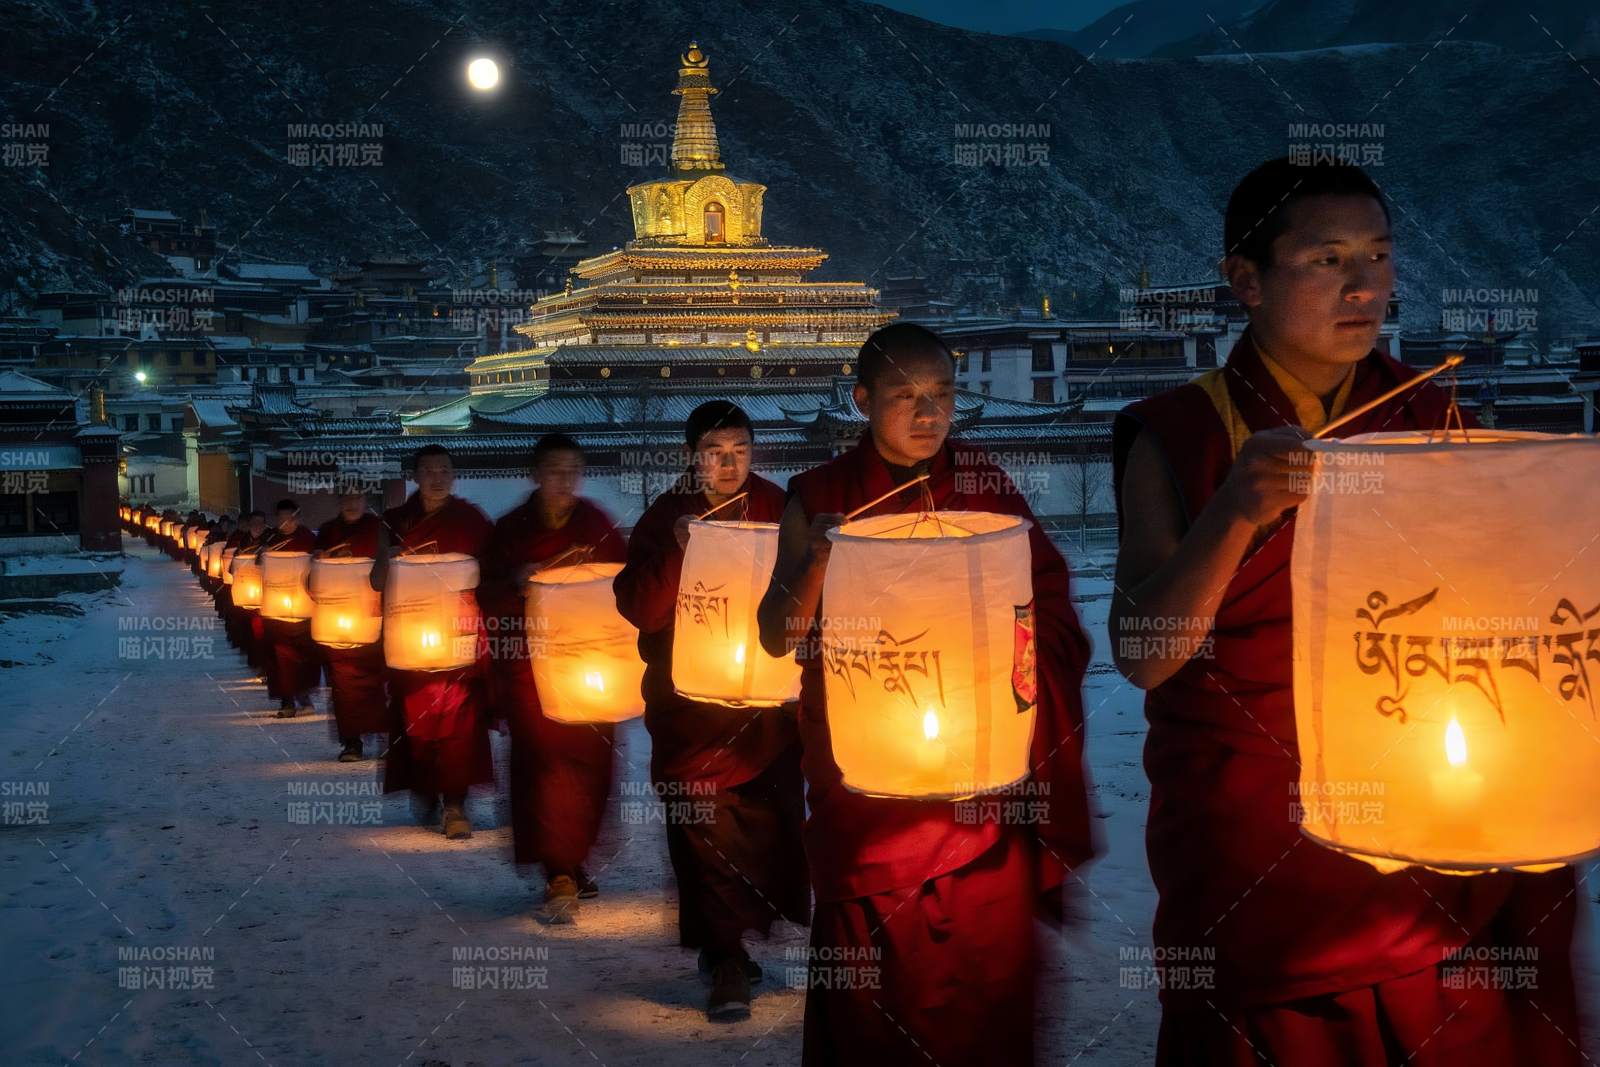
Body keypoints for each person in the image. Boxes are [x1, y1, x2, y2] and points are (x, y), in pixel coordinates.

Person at [1109, 157, 1583, 1065]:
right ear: (1246, 280)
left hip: (1421, 816)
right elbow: (1143, 654)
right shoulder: (1180, 433)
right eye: (1328, 259)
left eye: (1378, 255)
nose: (1365, 284)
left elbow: (1484, 611)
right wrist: (1237, 509)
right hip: (1258, 835)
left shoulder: (1428, 414)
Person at [756, 322, 1097, 1065]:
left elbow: (1051, 608)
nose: (927, 414)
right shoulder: (819, 497)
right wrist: (816, 562)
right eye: (905, 395)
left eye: (942, 394)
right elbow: (777, 635)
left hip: (981, 791)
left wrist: (1018, 666)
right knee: (876, 994)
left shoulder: (985, 487)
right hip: (866, 799)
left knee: (987, 980)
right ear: (861, 399)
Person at [614, 401, 810, 1021]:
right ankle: (725, 958)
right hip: (691, 715)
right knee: (704, 834)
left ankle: (746, 940)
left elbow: (814, 592)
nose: (729, 464)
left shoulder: (781, 509)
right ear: (692, 455)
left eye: (741, 450)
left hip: (769, 718)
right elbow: (640, 608)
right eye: (715, 452)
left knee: (770, 830)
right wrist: (677, 554)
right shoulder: (670, 515)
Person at [480, 433, 626, 922]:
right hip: (532, 667)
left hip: (591, 662)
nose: (563, 481)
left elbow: (627, 584)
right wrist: (521, 582)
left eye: (572, 471)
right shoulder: (510, 530)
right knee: (543, 766)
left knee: (591, 766)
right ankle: (558, 869)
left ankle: (573, 858)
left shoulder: (598, 524)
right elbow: (486, 593)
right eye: (554, 471)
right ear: (536, 474)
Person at [373, 445, 495, 840]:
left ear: (454, 475)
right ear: (415, 476)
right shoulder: (394, 522)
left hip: (460, 639)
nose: (437, 478)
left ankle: (456, 804)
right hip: (411, 643)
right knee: (418, 726)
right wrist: (389, 560)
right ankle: (426, 787)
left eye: (445, 470)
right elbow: (376, 583)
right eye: (429, 470)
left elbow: (494, 574)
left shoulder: (472, 520)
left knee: (460, 725)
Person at [313, 488, 387, 762]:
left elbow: (390, 566)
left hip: (371, 617)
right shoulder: (327, 531)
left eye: (357, 498)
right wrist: (320, 560)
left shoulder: (379, 529)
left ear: (366, 500)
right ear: (339, 501)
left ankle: (381, 735)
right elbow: (314, 572)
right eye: (346, 498)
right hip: (336, 619)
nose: (352, 503)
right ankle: (352, 742)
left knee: (375, 682)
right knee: (343, 685)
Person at [258, 498, 319, 717]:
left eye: (290, 518)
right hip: (276, 609)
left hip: (303, 608)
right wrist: (263, 554)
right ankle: (286, 701)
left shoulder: (308, 538)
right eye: (282, 518)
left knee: (305, 657)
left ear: (297, 518)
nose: (286, 523)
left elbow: (319, 565)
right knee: (279, 658)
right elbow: (257, 565)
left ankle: (303, 694)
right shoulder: (270, 538)